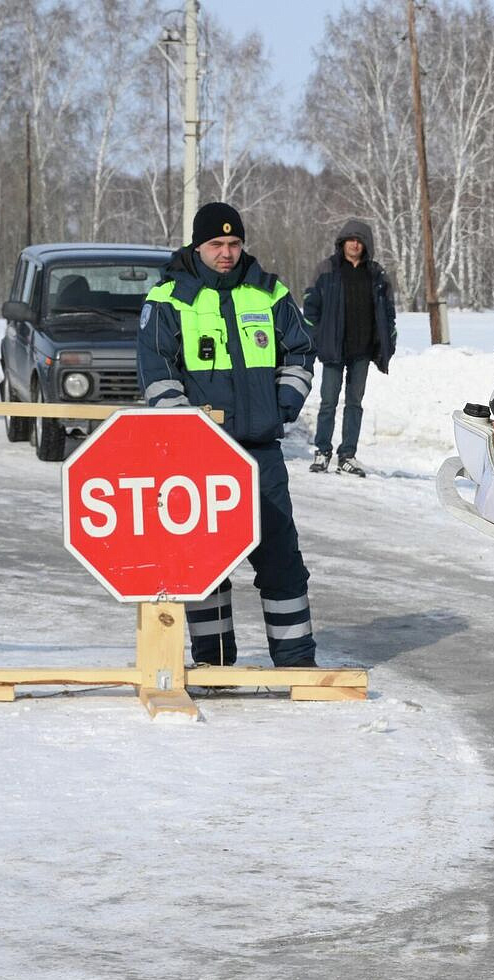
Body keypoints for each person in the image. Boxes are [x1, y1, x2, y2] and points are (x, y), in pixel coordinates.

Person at [136, 201, 318, 668]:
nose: (227, 253)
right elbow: (158, 372)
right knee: (205, 563)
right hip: (200, 459)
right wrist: (189, 432)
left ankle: (297, 663)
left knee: (281, 560)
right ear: (198, 247)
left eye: (234, 243)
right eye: (217, 244)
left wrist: (282, 406)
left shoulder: (269, 292)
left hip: (261, 453)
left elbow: (300, 352)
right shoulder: (169, 299)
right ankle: (215, 665)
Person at [302, 219, 397, 477]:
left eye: (359, 240)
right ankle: (322, 451)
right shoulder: (326, 270)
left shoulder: (376, 275)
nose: (355, 244)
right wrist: (315, 337)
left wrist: (388, 341)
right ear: (342, 243)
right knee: (328, 402)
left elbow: (388, 313)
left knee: (355, 403)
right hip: (333, 348)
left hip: (362, 350)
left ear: (366, 245)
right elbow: (311, 308)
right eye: (350, 240)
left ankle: (347, 455)